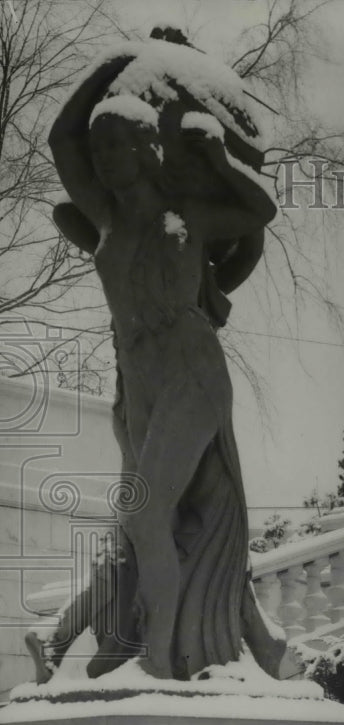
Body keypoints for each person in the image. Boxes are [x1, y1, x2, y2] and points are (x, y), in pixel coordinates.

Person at [47, 52, 279, 679]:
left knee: (148, 512)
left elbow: (259, 214)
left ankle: (161, 659)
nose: (106, 162)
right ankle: (230, 639)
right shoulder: (106, 220)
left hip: (190, 366)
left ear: (149, 147)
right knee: (153, 516)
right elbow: (59, 141)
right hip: (136, 377)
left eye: (119, 147)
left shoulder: (190, 216)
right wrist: (111, 65)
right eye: (101, 154)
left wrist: (217, 161)